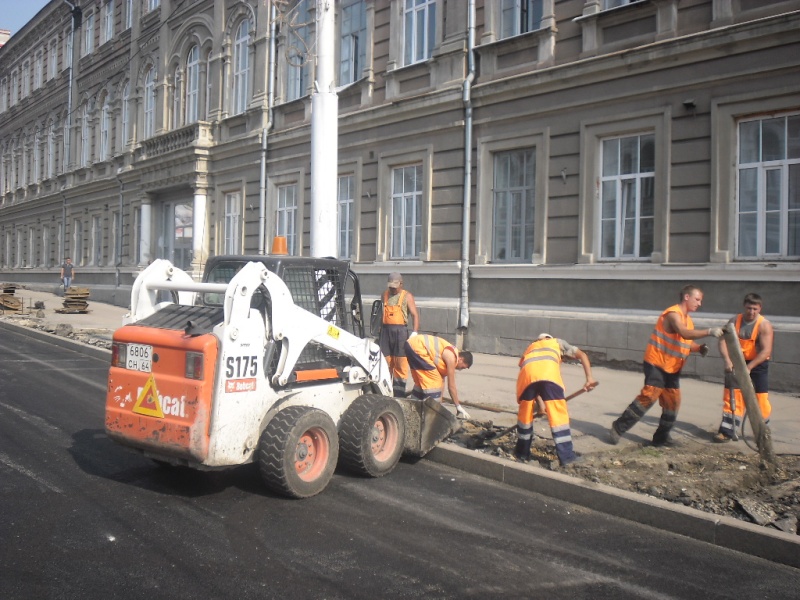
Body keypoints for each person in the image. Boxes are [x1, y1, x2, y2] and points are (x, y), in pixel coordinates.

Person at [609, 285, 724, 447]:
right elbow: (684, 333)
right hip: (656, 362)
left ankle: (661, 438)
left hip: (672, 367)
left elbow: (686, 341)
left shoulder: (688, 320)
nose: (699, 303)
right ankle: (618, 428)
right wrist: (709, 331)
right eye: (697, 299)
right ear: (686, 297)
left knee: (673, 402)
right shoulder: (673, 314)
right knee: (649, 396)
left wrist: (698, 348)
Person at [514, 334, 598, 467]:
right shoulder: (557, 342)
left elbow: (532, 374)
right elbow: (582, 355)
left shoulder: (530, 347)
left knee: (525, 417)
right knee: (559, 417)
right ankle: (567, 457)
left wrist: (541, 406)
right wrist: (589, 379)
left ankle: (521, 453)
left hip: (526, 379)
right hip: (549, 377)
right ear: (548, 338)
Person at [714, 293, 773, 442]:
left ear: (760, 308)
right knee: (732, 396)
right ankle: (727, 432)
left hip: (758, 365)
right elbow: (722, 341)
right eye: (749, 308)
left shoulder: (764, 325)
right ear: (744, 306)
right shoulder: (734, 321)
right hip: (737, 362)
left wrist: (750, 367)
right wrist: (727, 360)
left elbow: (766, 350)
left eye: (755, 309)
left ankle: (762, 433)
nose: (751, 312)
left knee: (760, 399)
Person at [404, 334, 473, 419]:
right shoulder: (452, 357)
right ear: (461, 359)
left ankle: (412, 411)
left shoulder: (447, 356)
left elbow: (442, 381)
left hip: (410, 345)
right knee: (433, 383)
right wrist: (458, 406)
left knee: (421, 383)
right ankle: (430, 418)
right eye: (462, 367)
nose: (459, 369)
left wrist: (439, 403)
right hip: (418, 347)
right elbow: (451, 386)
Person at [379, 272, 420, 397]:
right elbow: (380, 315)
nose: (392, 289)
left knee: (400, 363)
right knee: (385, 362)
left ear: (401, 284)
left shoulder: (407, 296)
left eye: (394, 286)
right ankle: (385, 391)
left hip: (400, 332)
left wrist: (415, 332)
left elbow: (414, 315)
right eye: (390, 286)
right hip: (385, 332)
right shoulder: (384, 295)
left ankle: (399, 393)